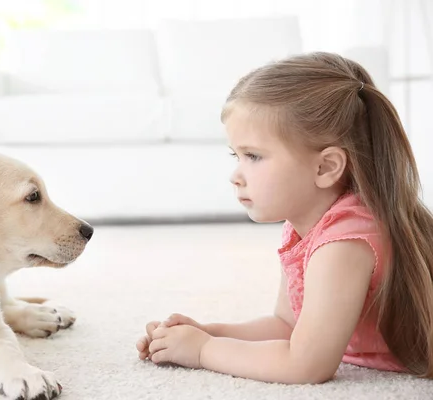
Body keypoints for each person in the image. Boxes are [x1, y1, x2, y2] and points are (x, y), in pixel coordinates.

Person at [136, 51, 433, 384]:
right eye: (237, 155)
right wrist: (208, 332)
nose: (235, 174)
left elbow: (306, 365)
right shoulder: (305, 225)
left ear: (326, 167)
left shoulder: (345, 241)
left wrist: (204, 350)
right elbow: (288, 325)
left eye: (253, 156)